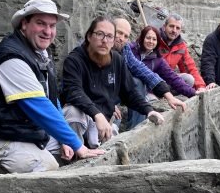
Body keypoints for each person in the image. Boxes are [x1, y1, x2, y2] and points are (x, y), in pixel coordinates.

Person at [0, 0, 103, 173]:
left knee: (64, 151)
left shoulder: (40, 52)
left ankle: (20, 163)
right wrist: (78, 145)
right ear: (24, 24)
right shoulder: (11, 57)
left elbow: (51, 99)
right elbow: (38, 106)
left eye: (52, 25)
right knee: (47, 166)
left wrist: (66, 141)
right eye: (40, 23)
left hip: (19, 127)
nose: (47, 31)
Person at [61, 16, 165, 147]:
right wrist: (97, 114)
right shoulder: (75, 60)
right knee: (73, 112)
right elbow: (74, 92)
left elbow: (130, 92)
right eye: (100, 34)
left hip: (104, 120)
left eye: (110, 36)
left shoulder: (116, 60)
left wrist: (149, 110)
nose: (104, 41)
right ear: (89, 36)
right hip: (82, 116)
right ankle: (74, 152)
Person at [112, 18, 188, 129]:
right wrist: (106, 102)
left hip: (119, 91)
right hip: (97, 97)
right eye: (119, 33)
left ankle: (136, 128)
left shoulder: (125, 49)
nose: (121, 38)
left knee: (138, 82)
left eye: (125, 36)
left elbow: (145, 72)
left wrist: (169, 97)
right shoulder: (96, 50)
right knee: (113, 118)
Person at [157, 13, 213, 92]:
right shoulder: (154, 39)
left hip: (167, 79)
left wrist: (200, 86)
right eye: (171, 26)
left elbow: (189, 67)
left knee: (189, 79)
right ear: (164, 26)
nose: (174, 30)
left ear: (181, 30)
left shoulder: (181, 46)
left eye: (177, 28)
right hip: (152, 78)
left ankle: (165, 94)